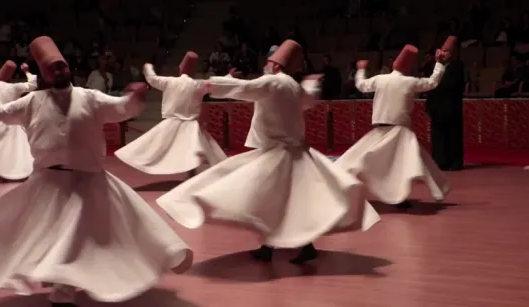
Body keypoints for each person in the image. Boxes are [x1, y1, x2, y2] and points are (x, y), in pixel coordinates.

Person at [0, 36, 192, 307]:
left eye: (61, 66)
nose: (58, 71)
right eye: (52, 68)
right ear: (45, 74)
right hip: (47, 183)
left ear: (68, 68)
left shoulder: (89, 98)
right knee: (45, 235)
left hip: (87, 181)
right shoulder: (32, 101)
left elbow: (120, 109)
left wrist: (135, 97)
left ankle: (63, 292)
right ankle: (58, 279)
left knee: (72, 236)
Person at [156, 40, 380, 264]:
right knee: (285, 201)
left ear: (275, 66)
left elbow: (245, 89)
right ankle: (280, 246)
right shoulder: (293, 86)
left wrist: (211, 84)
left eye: (269, 63)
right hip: (297, 154)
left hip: (279, 154)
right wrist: (312, 85)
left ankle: (277, 246)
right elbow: (308, 101)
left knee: (269, 198)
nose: (265, 66)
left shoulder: (272, 83)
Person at [335, 45, 450, 209]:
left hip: (382, 128)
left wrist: (361, 70)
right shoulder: (410, 81)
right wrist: (438, 63)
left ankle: (341, 183)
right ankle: (408, 195)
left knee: (359, 158)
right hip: (400, 130)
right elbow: (432, 82)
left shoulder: (381, 79)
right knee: (404, 164)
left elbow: (361, 85)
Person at [115, 51, 227, 178]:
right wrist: (229, 76)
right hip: (191, 124)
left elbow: (152, 79)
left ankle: (190, 172)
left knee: (156, 147)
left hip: (173, 122)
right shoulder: (198, 84)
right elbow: (216, 84)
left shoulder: (170, 82)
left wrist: (148, 67)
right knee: (195, 149)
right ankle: (193, 173)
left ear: (180, 69)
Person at [0, 60, 37, 180]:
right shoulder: (15, 86)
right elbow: (33, 84)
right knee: (15, 150)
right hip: (13, 124)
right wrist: (27, 71)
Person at [426, 36, 466, 171]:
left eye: (447, 51)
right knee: (438, 136)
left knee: (452, 136)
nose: (444, 53)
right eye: (442, 50)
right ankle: (439, 161)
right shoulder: (434, 66)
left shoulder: (457, 66)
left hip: (450, 107)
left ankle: (454, 162)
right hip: (437, 107)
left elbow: (451, 85)